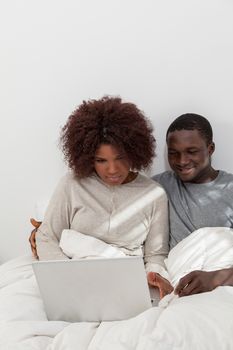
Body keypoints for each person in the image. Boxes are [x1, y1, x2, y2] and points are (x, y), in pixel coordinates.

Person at [30, 96, 172, 298]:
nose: (112, 169)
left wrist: (155, 275)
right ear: (88, 157)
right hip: (74, 278)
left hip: (125, 282)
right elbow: (47, 236)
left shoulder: (153, 194)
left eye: (120, 158)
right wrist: (66, 277)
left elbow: (156, 255)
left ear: (134, 152)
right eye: (101, 160)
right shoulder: (72, 184)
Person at [151, 113, 233, 296]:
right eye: (173, 153)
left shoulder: (230, 188)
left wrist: (216, 278)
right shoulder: (157, 187)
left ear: (210, 149)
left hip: (221, 287)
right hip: (176, 287)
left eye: (192, 151)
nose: (182, 161)